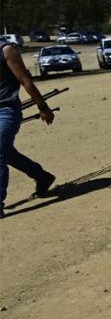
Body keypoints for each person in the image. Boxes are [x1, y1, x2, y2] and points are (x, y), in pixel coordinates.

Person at [1, 40, 56, 218]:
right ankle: (42, 177)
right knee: (7, 153)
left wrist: (42, 107)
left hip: (6, 110)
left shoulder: (7, 50)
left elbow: (25, 80)